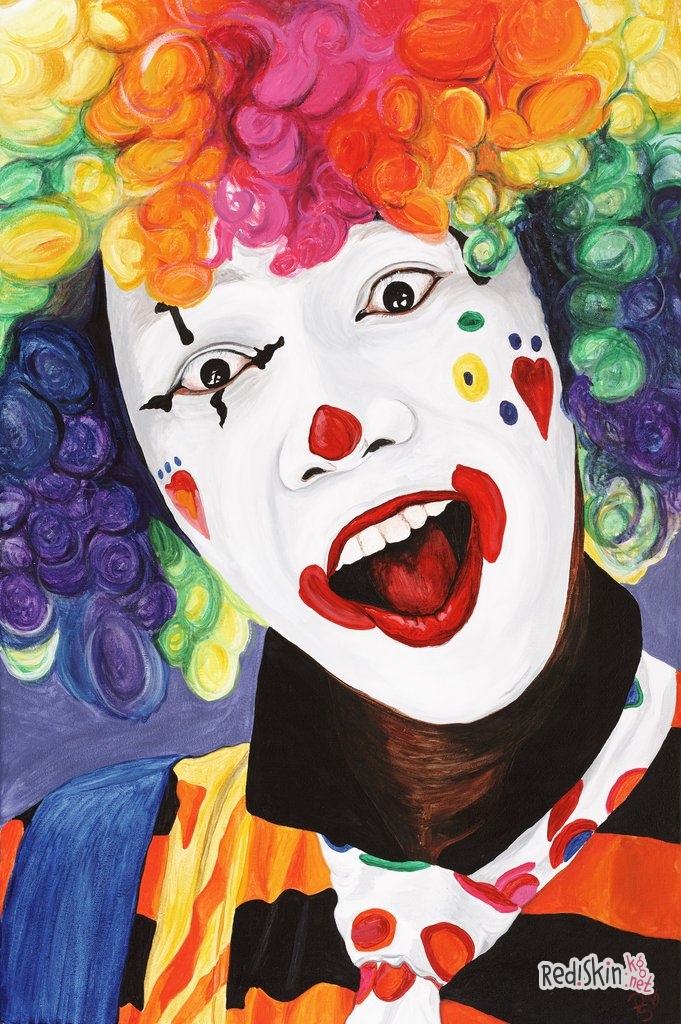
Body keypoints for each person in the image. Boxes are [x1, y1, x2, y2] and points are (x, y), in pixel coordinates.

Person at [0, 1, 679, 1022]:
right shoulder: (61, 898)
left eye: (398, 292)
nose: (336, 425)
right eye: (215, 370)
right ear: (118, 462)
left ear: (569, 297)